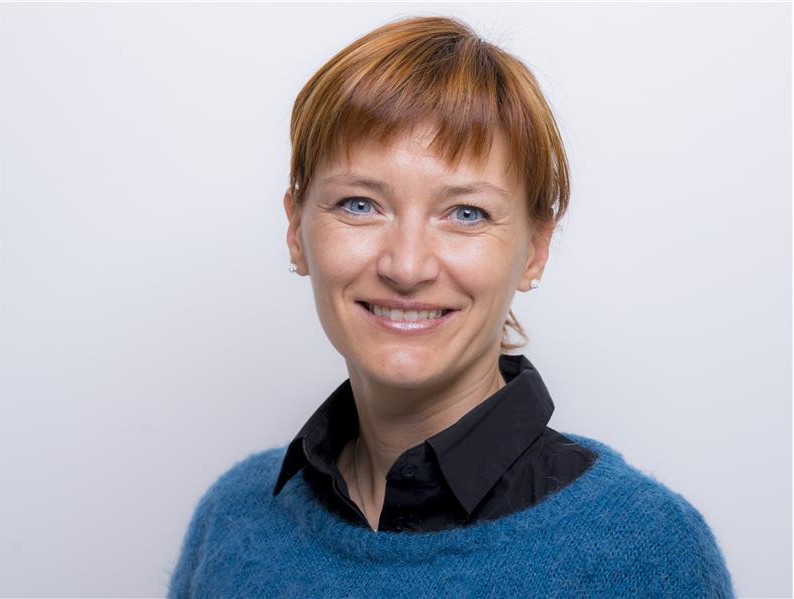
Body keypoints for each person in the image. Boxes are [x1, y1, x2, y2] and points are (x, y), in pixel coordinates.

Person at [167, 15, 735, 598]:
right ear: (296, 230)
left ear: (535, 250)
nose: (407, 266)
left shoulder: (647, 552)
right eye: (360, 204)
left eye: (467, 213)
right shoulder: (232, 520)